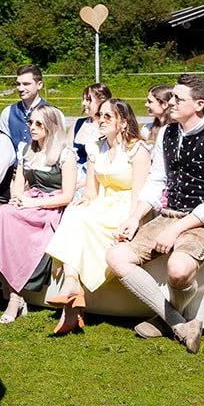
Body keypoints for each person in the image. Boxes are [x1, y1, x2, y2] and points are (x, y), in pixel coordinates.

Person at [105, 75, 204, 354]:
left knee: (178, 270)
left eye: (178, 99)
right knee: (116, 255)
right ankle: (179, 323)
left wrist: (176, 230)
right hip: (168, 214)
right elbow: (156, 182)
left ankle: (167, 319)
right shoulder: (167, 133)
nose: (171, 103)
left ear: (199, 104)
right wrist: (134, 217)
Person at [45, 97, 153, 336]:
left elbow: (140, 193)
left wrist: (132, 222)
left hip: (126, 208)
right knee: (75, 212)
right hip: (102, 203)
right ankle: (72, 284)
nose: (101, 121)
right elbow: (91, 191)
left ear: (123, 122)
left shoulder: (138, 150)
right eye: (99, 116)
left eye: (107, 116)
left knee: (81, 221)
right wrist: (81, 201)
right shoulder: (97, 147)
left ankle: (71, 298)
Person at [0, 104, 76, 323]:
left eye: (38, 124)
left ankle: (14, 297)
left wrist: (34, 204)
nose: (32, 128)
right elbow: (19, 182)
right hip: (29, 201)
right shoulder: (27, 150)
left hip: (51, 207)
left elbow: (67, 195)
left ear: (51, 127)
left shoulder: (65, 155)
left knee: (18, 222)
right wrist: (17, 197)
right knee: (5, 213)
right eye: (30, 122)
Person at [0, 64, 64, 201]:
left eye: (26, 84)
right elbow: (6, 148)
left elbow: (59, 146)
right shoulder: (7, 113)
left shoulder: (54, 113)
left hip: (43, 175)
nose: (20, 88)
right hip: (12, 174)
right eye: (18, 84)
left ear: (39, 84)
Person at [70, 82, 113, 173]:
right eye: (83, 99)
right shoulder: (78, 124)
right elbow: (68, 152)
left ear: (102, 100)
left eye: (88, 99)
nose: (84, 103)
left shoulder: (111, 127)